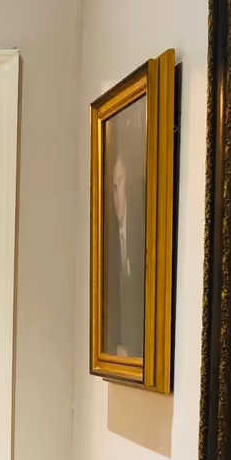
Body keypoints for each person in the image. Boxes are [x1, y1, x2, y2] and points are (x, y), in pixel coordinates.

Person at [104, 127, 145, 359]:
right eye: (113, 185)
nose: (115, 192)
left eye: (119, 182)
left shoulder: (139, 234)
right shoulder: (111, 237)